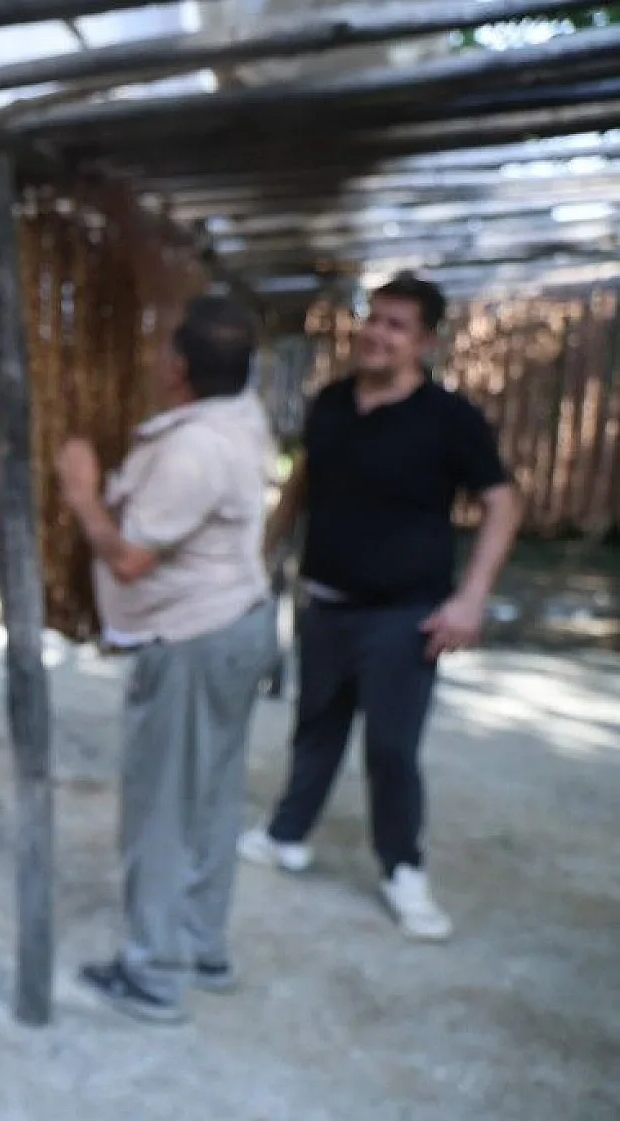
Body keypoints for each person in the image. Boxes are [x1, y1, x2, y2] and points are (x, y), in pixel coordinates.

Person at [239, 273, 521, 941]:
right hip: (324, 602)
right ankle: (286, 833)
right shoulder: (333, 401)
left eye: (397, 325)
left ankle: (403, 868)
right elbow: (306, 479)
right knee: (315, 726)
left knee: (391, 747)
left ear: (424, 342)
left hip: (404, 615)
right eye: (374, 318)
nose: (378, 334)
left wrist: (471, 597)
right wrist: (262, 553)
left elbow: (504, 503)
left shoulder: (448, 419)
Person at [56, 295, 278, 1025]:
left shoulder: (193, 450)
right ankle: (202, 946)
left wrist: (82, 495)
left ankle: (151, 973)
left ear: (178, 367)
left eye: (163, 348)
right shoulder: (240, 415)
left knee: (160, 808)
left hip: (193, 640)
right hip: (235, 624)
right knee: (211, 796)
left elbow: (128, 559)